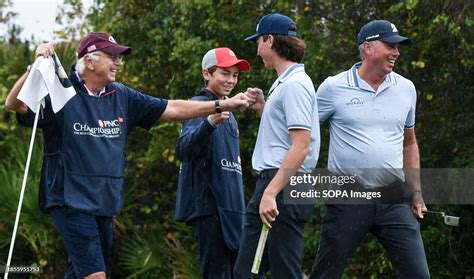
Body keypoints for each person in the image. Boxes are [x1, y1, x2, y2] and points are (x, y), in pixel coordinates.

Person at [4, 32, 249, 279]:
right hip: (70, 200)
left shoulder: (122, 95)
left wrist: (223, 105)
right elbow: (16, 104)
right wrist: (33, 67)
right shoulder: (61, 91)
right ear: (90, 60)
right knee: (95, 275)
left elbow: (172, 107)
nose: (119, 63)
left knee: (79, 272)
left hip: (105, 202)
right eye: (113, 57)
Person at [308, 20, 430, 278]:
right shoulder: (333, 88)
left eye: (398, 47)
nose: (396, 52)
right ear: (368, 48)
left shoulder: (406, 89)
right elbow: (302, 132)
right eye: (390, 45)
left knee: (418, 275)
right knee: (325, 274)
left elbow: (410, 142)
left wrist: (416, 192)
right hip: (347, 198)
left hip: (394, 198)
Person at [233, 13, 320, 278]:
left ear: (270, 40)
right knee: (253, 270)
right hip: (282, 184)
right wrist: (263, 107)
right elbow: (283, 137)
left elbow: (301, 146)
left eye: (258, 42)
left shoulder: (294, 85)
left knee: (271, 271)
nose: (257, 50)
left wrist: (270, 193)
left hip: (282, 186)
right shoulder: (285, 83)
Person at [174, 47, 250, 278]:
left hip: (232, 209)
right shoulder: (199, 105)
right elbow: (183, 149)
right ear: (207, 74)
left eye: (235, 75)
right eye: (224, 73)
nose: (231, 80)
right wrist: (209, 122)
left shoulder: (231, 110)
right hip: (210, 207)